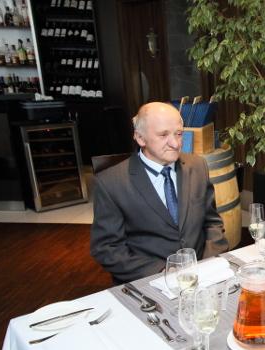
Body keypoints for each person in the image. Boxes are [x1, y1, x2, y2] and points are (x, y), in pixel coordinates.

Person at [91, 102, 228, 283]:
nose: (175, 143)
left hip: (203, 275)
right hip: (150, 281)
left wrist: (207, 265)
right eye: (163, 135)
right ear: (140, 138)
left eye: (179, 134)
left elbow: (212, 223)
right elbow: (107, 249)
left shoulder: (197, 166)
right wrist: (163, 271)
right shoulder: (110, 183)